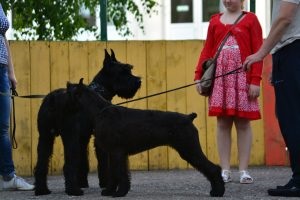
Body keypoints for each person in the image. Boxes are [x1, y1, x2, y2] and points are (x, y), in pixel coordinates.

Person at [194, 0, 263, 184]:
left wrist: (255, 80)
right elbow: (207, 50)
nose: (228, 0)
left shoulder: (251, 20)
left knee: (243, 124)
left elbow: (258, 51)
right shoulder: (214, 21)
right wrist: (198, 76)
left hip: (243, 79)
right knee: (222, 123)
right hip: (220, 79)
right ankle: (224, 169)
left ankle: (244, 171)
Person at [243, 0, 300, 197]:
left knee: (292, 119)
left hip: (293, 50)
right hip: (289, 53)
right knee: (291, 117)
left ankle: (299, 180)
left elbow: (285, 18)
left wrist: (261, 53)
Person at [0, 3, 34, 191]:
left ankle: (8, 177)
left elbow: (3, 37)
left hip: (2, 69)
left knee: (3, 127)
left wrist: (11, 72)